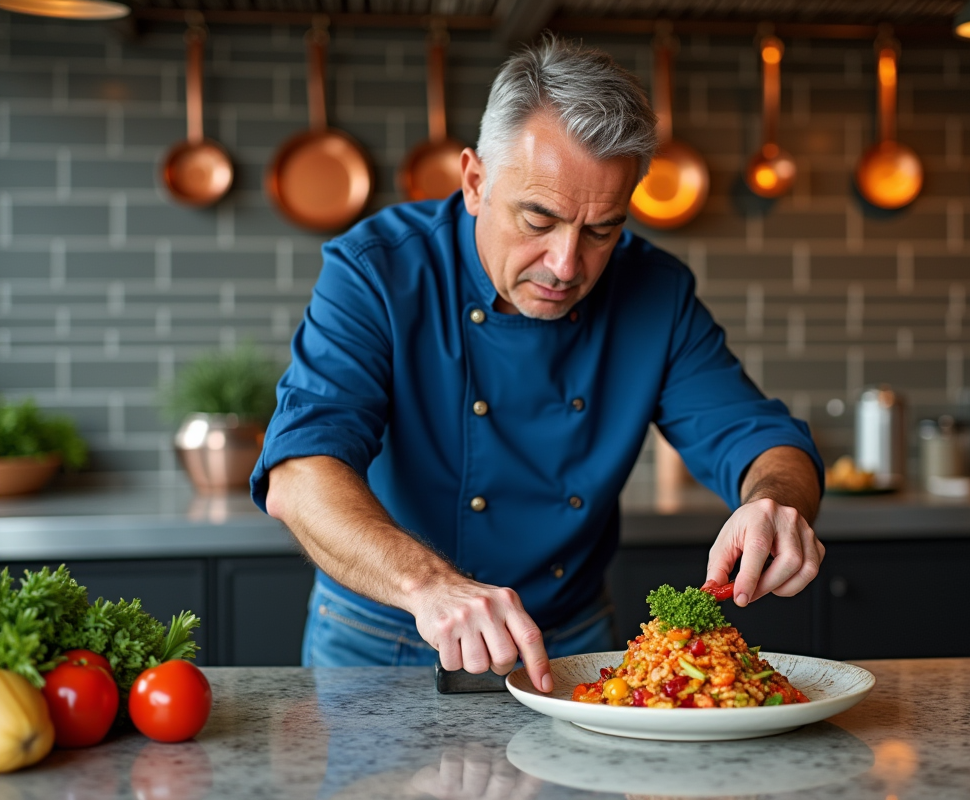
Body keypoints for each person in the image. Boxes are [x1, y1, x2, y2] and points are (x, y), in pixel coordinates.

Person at [250, 37, 825, 693]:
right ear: (474, 182)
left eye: (602, 230)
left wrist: (775, 503)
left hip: (568, 643)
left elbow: (760, 439)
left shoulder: (655, 293)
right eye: (538, 219)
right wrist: (432, 587)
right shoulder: (378, 269)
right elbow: (300, 472)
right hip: (379, 640)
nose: (566, 264)